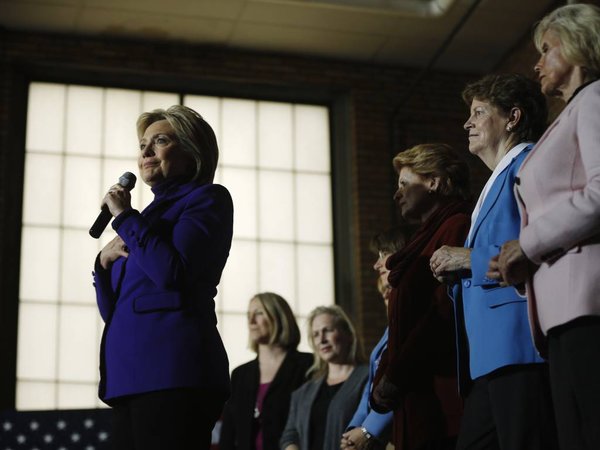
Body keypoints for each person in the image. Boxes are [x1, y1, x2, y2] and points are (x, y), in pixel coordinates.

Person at [490, 4, 600, 450]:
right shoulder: (570, 114)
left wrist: (527, 246)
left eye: (547, 49)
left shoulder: (594, 100)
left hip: (586, 306)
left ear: (576, 48)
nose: (537, 62)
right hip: (559, 314)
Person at [429, 73, 558, 450]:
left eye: (479, 112)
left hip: (519, 347)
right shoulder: (495, 180)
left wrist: (469, 258)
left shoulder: (530, 164)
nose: (467, 123)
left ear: (513, 118)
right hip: (487, 356)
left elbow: (548, 243)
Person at [92, 105, 233, 450]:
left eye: (161, 141)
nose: (146, 151)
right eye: (143, 144)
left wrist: (125, 217)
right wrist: (102, 264)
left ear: (191, 151)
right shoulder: (146, 218)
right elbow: (117, 309)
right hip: (129, 376)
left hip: (174, 371)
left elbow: (172, 274)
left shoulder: (206, 199)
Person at [371, 143, 471, 450]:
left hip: (439, 396)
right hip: (413, 390)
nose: (396, 194)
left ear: (434, 182)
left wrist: (395, 374)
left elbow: (440, 311)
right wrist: (385, 377)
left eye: (404, 184)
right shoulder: (421, 239)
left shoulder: (455, 226)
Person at [341, 226, 414, 450]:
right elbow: (373, 386)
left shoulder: (415, 313)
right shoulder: (390, 327)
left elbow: (403, 376)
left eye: (383, 255)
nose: (376, 264)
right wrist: (354, 428)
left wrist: (368, 430)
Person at [219, 292, 313, 450]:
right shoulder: (240, 374)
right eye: (248, 315)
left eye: (259, 313)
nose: (251, 321)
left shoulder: (307, 365)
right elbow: (228, 433)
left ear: (279, 317)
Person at [280, 305, 368, 450]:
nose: (322, 339)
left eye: (328, 330)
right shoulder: (304, 391)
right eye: (315, 334)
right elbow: (290, 434)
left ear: (349, 335)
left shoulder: (368, 378)